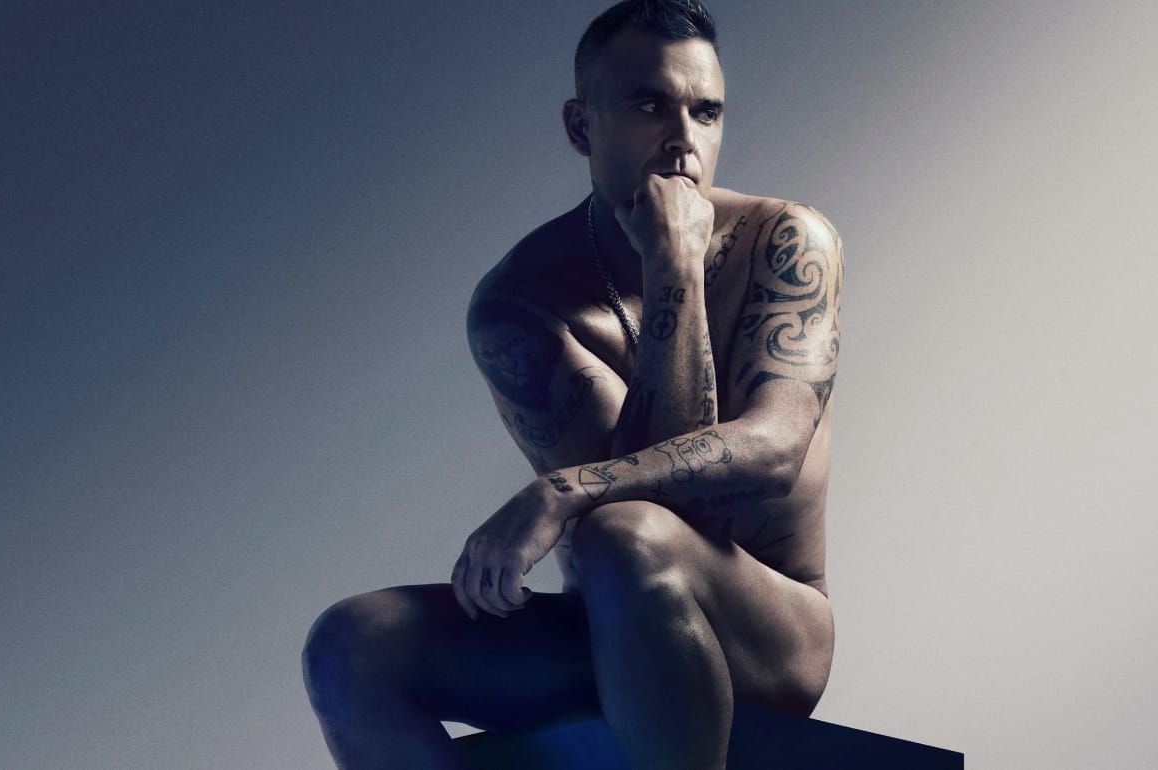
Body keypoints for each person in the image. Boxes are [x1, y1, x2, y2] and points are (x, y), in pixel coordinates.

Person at [302, 1, 843, 767]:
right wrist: (670, 267)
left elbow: (772, 449)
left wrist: (562, 490)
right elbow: (657, 499)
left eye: (707, 111)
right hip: (610, 622)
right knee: (349, 647)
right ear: (581, 126)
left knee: (621, 535)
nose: (684, 139)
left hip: (770, 630)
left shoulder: (787, 242)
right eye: (649, 106)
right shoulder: (520, 304)